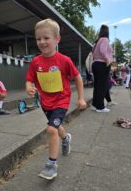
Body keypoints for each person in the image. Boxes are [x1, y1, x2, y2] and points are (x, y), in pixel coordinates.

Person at [26, 19, 87, 180]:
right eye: (38, 39)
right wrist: (29, 86)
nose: (42, 42)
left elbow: (78, 78)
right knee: (56, 126)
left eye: (46, 38)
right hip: (45, 102)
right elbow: (29, 79)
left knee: (51, 129)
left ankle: (51, 165)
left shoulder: (64, 60)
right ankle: (66, 138)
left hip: (61, 100)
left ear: (57, 39)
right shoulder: (35, 62)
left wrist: (81, 98)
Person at [91, 24, 114, 112]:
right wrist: (107, 59)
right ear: (107, 31)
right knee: (102, 86)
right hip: (102, 64)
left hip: (96, 64)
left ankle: (95, 104)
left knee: (97, 86)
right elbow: (103, 50)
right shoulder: (105, 39)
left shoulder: (97, 41)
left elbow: (93, 51)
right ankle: (100, 107)